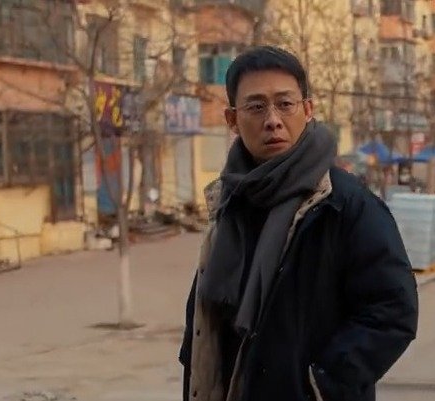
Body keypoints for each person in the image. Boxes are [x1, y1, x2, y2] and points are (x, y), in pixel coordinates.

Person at [178, 46, 418, 401]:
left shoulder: (345, 205)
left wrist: (320, 384)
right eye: (256, 107)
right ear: (232, 119)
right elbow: (208, 320)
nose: (272, 120)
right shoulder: (230, 201)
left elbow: (393, 311)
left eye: (285, 104)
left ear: (307, 110)